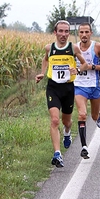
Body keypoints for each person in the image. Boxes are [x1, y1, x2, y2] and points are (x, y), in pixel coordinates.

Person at [35, 20, 87, 168]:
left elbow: (84, 64)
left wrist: (76, 70)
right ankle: (57, 153)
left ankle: (67, 132)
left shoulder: (74, 48)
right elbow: (45, 59)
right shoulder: (49, 48)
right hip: (53, 88)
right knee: (54, 120)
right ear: (55, 32)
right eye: (61, 31)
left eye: (66, 31)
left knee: (66, 121)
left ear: (69, 33)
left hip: (68, 88)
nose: (63, 34)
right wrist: (42, 73)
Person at [74, 22, 100, 159]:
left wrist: (93, 67)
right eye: (81, 32)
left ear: (91, 33)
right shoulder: (74, 48)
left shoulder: (97, 47)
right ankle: (84, 147)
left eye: (86, 32)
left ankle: (98, 116)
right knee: (82, 114)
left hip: (95, 86)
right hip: (79, 86)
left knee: (94, 116)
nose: (84, 35)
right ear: (78, 34)